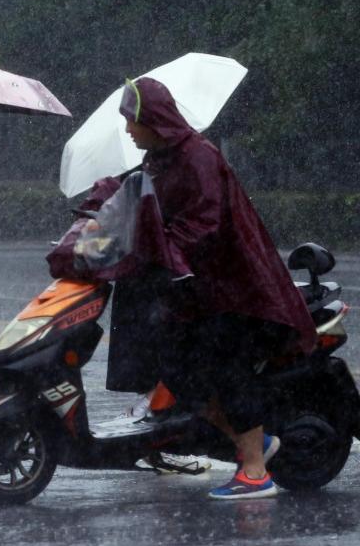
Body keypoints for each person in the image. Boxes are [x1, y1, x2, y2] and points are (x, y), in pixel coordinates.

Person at [118, 77, 315, 499]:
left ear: (152, 119)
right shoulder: (159, 160)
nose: (128, 130)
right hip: (193, 292)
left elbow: (203, 225)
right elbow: (135, 200)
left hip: (232, 289)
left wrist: (160, 246)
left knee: (228, 371)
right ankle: (256, 443)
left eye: (131, 121)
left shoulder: (198, 157)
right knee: (178, 371)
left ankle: (256, 473)